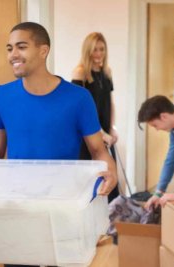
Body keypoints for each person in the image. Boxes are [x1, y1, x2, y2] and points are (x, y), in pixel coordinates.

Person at [0, 22, 117, 267]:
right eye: (9, 48)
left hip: (62, 206)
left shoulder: (78, 98)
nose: (13, 54)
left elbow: (98, 150)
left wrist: (111, 171)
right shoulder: (0, 96)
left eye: (21, 47)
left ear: (43, 50)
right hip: (18, 204)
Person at [71, 32, 119, 202]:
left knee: (110, 175)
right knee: (91, 179)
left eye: (102, 49)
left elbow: (110, 102)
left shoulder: (107, 72)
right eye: (95, 50)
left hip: (105, 131)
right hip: (89, 133)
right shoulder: (80, 73)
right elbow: (80, 109)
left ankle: (110, 221)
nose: (99, 54)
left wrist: (112, 129)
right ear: (87, 51)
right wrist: (99, 132)